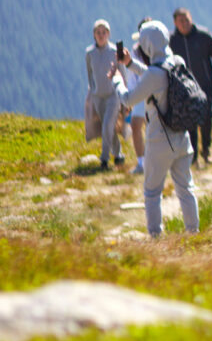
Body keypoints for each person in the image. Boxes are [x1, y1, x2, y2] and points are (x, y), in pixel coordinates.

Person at [109, 20, 199, 237]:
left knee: (152, 192)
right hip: (182, 135)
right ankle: (193, 232)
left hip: (159, 139)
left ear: (148, 44)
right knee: (186, 188)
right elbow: (156, 75)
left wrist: (117, 80)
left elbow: (129, 98)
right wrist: (131, 63)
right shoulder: (177, 61)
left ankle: (156, 237)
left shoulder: (153, 75)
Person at [169, 8, 212, 165]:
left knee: (206, 117)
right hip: (184, 87)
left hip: (205, 84)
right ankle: (193, 156)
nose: (185, 23)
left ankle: (206, 150)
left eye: (187, 19)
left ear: (191, 18)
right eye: (181, 21)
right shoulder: (172, 40)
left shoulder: (203, 35)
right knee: (189, 119)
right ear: (175, 23)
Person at [84, 19, 123, 170]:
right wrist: (92, 90)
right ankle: (118, 154)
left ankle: (104, 159)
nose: (101, 35)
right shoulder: (90, 53)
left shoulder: (114, 51)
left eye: (104, 32)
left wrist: (124, 95)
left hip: (113, 95)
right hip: (98, 96)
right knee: (108, 127)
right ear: (94, 34)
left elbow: (123, 73)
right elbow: (89, 73)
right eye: (98, 32)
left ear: (109, 34)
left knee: (107, 125)